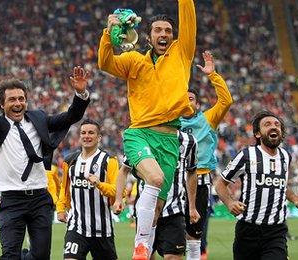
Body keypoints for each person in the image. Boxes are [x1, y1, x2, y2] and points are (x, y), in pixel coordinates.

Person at [99, 1, 196, 258]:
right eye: (157, 30)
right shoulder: (133, 61)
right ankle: (140, 248)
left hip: (169, 139)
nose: (163, 34)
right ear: (149, 35)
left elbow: (188, 22)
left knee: (156, 210)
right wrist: (108, 32)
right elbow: (105, 63)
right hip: (140, 132)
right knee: (154, 179)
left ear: (174, 36)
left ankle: (143, 246)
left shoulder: (182, 54)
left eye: (167, 30)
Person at [0, 59, 90, 260]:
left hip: (39, 198)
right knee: (10, 255)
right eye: (12, 100)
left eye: (21, 99)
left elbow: (70, 117)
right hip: (11, 200)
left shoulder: (38, 118)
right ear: (1, 104)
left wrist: (80, 94)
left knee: (41, 256)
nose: (18, 103)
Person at [215, 111, 298, 260]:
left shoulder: (285, 156)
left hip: (275, 231)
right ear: (258, 134)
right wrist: (229, 202)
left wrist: (297, 200)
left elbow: (282, 186)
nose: (274, 127)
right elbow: (220, 183)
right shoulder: (246, 155)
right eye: (268, 124)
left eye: (277, 125)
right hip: (247, 231)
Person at [180, 50, 233, 260]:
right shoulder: (169, 122)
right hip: (174, 181)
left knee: (194, 233)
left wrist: (213, 75)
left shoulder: (208, 119)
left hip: (201, 180)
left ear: (197, 104)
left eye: (191, 98)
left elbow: (226, 101)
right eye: (183, 98)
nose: (187, 101)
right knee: (170, 233)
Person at [116, 131, 199, 260]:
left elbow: (192, 171)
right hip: (147, 212)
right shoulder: (141, 137)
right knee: (147, 256)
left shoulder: (189, 141)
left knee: (173, 257)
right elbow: (124, 170)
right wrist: (118, 199)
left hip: (174, 211)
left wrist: (192, 207)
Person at [56, 119, 118, 260]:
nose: (87, 136)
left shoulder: (109, 161)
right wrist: (60, 208)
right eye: (83, 133)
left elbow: (117, 191)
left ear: (99, 137)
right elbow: (64, 188)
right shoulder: (70, 161)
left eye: (91, 133)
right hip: (76, 227)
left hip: (102, 229)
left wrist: (99, 184)